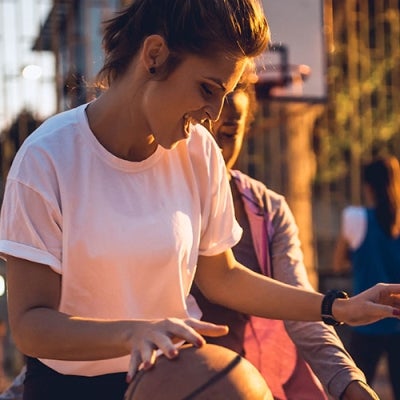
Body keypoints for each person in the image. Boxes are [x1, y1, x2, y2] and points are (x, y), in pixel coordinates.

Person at [0, 1, 399, 399]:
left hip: (173, 378)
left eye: (223, 95)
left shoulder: (198, 152)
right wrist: (133, 333)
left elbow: (223, 276)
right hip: (69, 389)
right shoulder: (47, 159)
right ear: (154, 56)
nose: (214, 113)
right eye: (208, 89)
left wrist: (337, 307)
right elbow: (31, 326)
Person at [191, 81, 380, 400]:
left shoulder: (268, 209)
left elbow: (299, 308)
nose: (211, 146)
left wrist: (349, 384)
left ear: (244, 131)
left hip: (235, 383)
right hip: (156, 375)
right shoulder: (156, 195)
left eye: (227, 133)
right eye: (203, 128)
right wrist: (339, 308)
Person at [333, 155, 400, 400]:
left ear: (368, 186)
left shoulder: (355, 217)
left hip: (366, 320)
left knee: (359, 390)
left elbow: (338, 263)